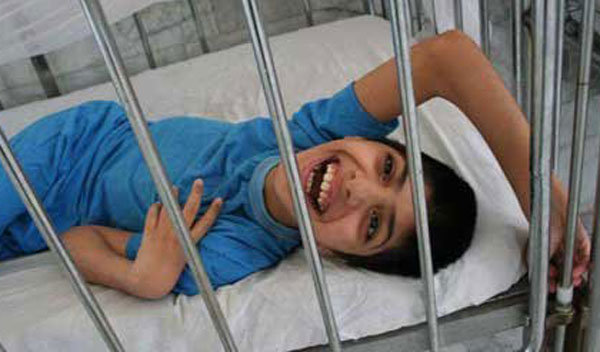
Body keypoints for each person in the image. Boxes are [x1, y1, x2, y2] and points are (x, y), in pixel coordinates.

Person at [0, 30, 590, 299]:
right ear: (375, 140)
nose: (358, 189)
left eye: (373, 225)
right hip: (76, 143)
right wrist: (546, 203)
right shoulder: (316, 134)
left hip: (38, 225)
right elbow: (447, 58)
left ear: (334, 255)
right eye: (387, 169)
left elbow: (75, 240)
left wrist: (140, 279)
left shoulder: (232, 250)